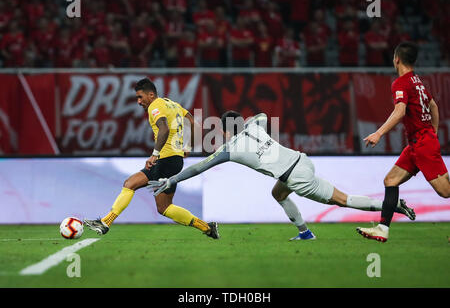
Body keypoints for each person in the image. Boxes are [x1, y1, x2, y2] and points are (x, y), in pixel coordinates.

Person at [148, 111, 416, 241]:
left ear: (227, 130)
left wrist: (171, 180)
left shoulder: (229, 148)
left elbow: (197, 168)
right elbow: (263, 115)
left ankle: (391, 206)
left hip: (297, 177)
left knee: (342, 200)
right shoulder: (256, 126)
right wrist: (249, 122)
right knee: (277, 193)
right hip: (300, 160)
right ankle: (304, 232)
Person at [84, 78, 219, 239]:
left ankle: (207, 227)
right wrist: (188, 147)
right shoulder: (172, 104)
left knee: (164, 208)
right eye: (137, 98)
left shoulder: (155, 106)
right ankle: (105, 222)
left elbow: (164, 129)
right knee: (130, 184)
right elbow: (193, 122)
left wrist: (154, 154)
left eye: (141, 97)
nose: (139, 101)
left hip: (165, 161)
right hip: (171, 160)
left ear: (151, 94)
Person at [357, 42, 449, 242]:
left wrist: (378, 133)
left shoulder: (401, 82)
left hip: (422, 143)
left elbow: (399, 111)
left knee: (445, 191)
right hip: (419, 143)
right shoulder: (418, 81)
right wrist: (432, 132)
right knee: (390, 181)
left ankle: (382, 228)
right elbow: (433, 106)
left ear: (396, 59)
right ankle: (382, 229)